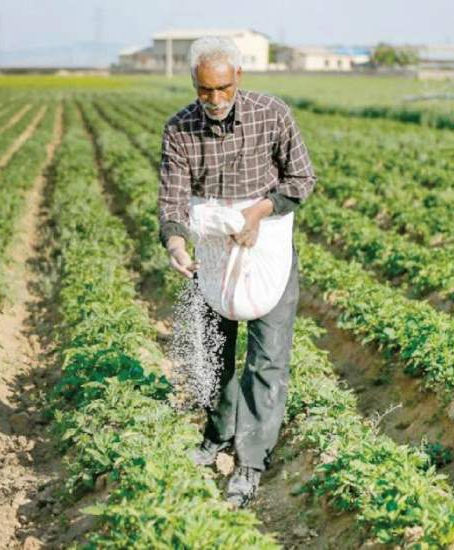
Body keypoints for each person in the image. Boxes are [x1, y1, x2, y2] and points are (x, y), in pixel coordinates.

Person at [157, 35, 317, 507]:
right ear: (193, 83)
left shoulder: (272, 113)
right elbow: (172, 197)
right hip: (212, 252)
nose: (215, 100)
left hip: (266, 245)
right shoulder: (180, 129)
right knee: (214, 352)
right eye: (205, 90)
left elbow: (302, 179)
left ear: (238, 79)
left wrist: (260, 210)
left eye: (223, 89)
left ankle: (250, 463)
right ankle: (216, 434)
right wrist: (175, 242)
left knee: (267, 359)